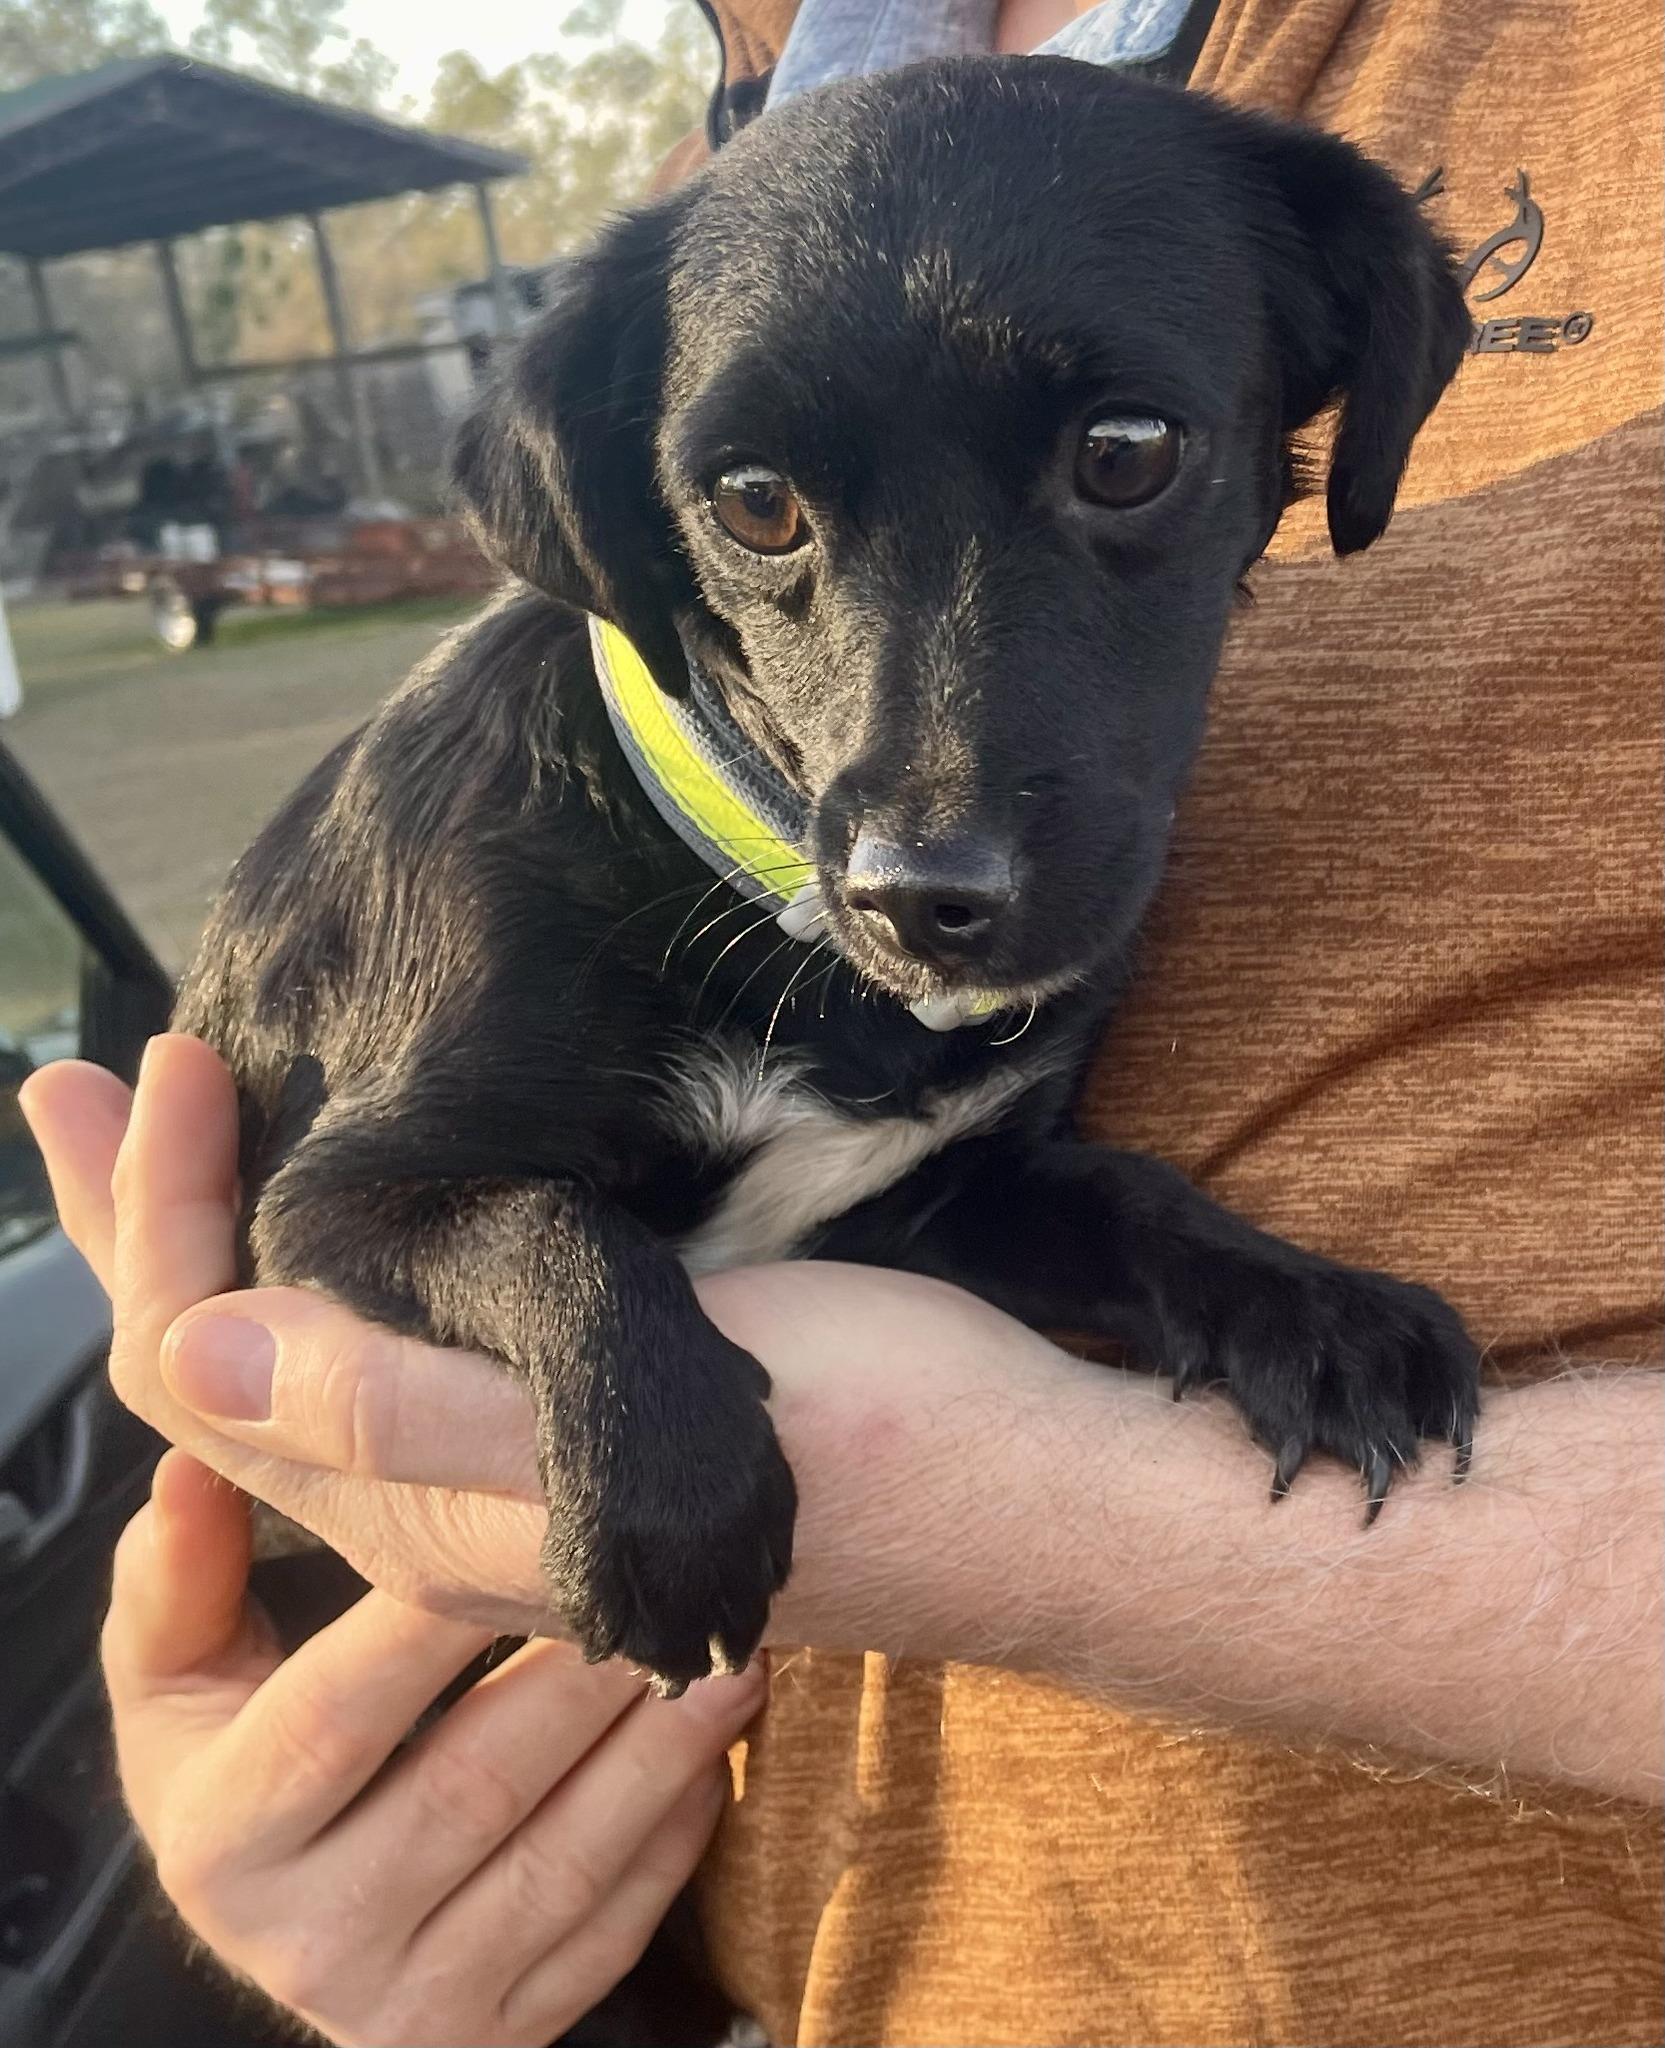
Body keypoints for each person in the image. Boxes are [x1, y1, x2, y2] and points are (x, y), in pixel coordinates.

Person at [22, 0, 1664, 2041]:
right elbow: (371, 1208)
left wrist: (1080, 1478)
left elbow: (943, 1208)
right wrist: (283, 1852)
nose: (928, 811)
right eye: (770, 523)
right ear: (636, 544)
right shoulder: (692, 293)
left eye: (1121, 461)